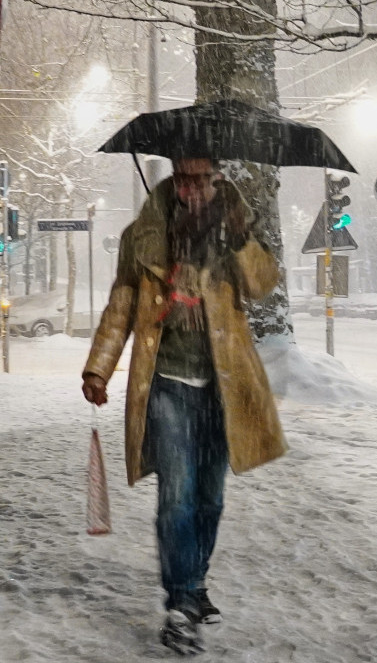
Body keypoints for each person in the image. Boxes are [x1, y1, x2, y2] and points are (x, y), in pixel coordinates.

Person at [81, 157, 287, 655]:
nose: (193, 189)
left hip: (223, 387)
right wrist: (99, 367)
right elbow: (122, 304)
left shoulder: (235, 229)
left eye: (204, 179)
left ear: (217, 180)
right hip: (167, 383)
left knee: (210, 499)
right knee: (178, 495)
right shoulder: (144, 235)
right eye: (185, 179)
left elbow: (264, 287)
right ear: (174, 178)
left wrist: (239, 239)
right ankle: (180, 602)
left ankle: (193, 583)